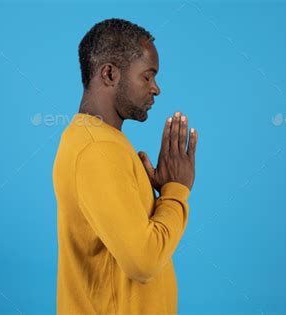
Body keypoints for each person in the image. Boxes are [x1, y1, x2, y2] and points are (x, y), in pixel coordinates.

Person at [52, 18, 198, 314]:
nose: (156, 89)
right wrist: (175, 192)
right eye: (147, 76)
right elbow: (142, 262)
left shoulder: (93, 139)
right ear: (109, 74)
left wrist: (156, 196)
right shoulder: (98, 149)